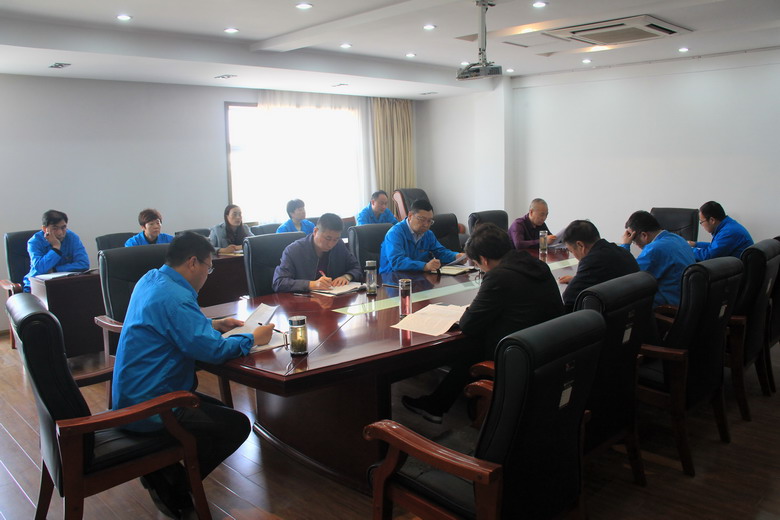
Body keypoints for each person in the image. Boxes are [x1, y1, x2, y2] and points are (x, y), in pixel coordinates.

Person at [112, 232, 274, 518]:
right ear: (192, 262)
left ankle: (163, 472)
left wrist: (214, 323)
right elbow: (213, 351)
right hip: (153, 404)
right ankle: (172, 485)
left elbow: (172, 325)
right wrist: (253, 338)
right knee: (235, 426)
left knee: (221, 413)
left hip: (131, 394)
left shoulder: (150, 279)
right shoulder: (175, 298)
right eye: (208, 267)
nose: (207, 275)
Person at [402, 223, 564, 423]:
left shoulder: (498, 276)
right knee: (476, 341)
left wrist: (471, 310)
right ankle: (439, 404)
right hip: (548, 346)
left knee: (472, 343)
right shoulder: (536, 264)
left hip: (518, 352)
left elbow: (469, 324)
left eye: (478, 265)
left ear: (484, 259)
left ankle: (439, 405)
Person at [558, 220, 639, 312]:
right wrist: (577, 280)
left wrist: (577, 282)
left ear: (580, 245)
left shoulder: (591, 261)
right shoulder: (623, 252)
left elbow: (568, 299)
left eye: (571, 251)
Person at [621, 210, 695, 308]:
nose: (635, 244)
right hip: (688, 301)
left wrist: (625, 245)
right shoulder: (678, 238)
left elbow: (628, 277)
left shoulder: (654, 249)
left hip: (669, 307)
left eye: (634, 240)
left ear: (644, 235)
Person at [272, 213, 363, 293]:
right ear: (315, 231)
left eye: (335, 239)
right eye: (327, 238)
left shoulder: (339, 245)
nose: (331, 244)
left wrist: (346, 277)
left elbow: (356, 267)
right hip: (304, 303)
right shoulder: (294, 250)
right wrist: (312, 284)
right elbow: (279, 282)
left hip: (335, 299)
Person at [379, 199, 465, 274]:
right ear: (410, 216)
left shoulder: (428, 234)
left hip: (418, 276)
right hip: (392, 279)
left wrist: (456, 256)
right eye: (422, 219)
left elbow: (440, 252)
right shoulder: (395, 233)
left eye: (429, 221)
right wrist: (424, 266)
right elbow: (397, 261)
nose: (426, 225)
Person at [23, 209, 89, 292]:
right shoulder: (34, 242)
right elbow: (40, 268)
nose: (60, 233)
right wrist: (56, 247)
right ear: (44, 229)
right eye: (55, 228)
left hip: (65, 283)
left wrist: (55, 269)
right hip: (38, 286)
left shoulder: (72, 237)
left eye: (63, 227)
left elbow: (84, 264)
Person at [689, 201, 753, 261]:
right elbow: (714, 247)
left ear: (712, 220)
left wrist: (686, 249)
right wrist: (695, 244)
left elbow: (708, 256)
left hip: (735, 268)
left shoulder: (729, 232)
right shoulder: (729, 225)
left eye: (701, 222)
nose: (702, 225)